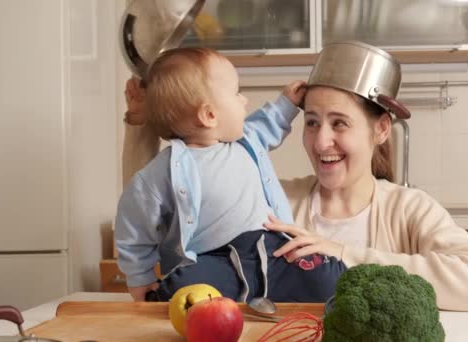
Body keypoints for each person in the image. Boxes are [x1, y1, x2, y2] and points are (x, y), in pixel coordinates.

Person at [120, 54, 468, 317]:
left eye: (340, 123)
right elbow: (160, 200)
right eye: (312, 122)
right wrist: (141, 125)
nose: (320, 142)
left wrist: (343, 253)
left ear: (381, 129)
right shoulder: (269, 202)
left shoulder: (410, 209)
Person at [116, 47, 346, 303]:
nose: (244, 100)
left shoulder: (246, 140)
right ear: (209, 115)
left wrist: (287, 103)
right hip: (215, 259)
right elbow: (134, 226)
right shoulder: (166, 169)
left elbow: (269, 122)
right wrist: (141, 278)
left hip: (273, 250)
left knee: (326, 278)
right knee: (184, 290)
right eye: (237, 93)